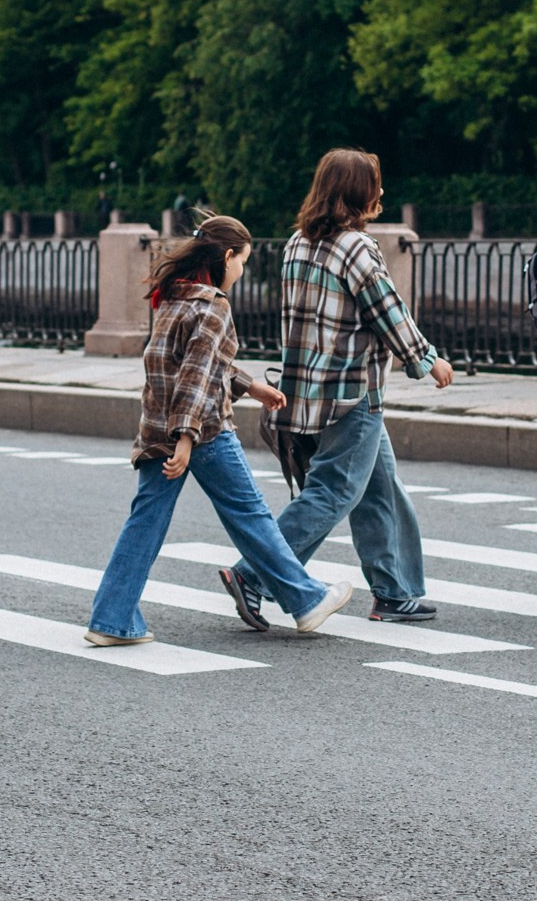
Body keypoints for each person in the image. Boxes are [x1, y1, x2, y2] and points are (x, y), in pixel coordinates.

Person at [86, 215, 353, 646]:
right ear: (227, 257)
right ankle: (306, 600)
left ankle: (111, 619)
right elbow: (194, 375)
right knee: (251, 517)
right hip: (205, 432)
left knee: (145, 523)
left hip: (157, 429)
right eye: (242, 262)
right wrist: (187, 438)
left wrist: (252, 386)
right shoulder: (213, 306)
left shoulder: (173, 297)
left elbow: (190, 363)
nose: (242, 272)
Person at [220, 149, 452, 629]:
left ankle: (394, 592)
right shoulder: (358, 249)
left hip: (308, 391)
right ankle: (253, 575)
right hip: (353, 395)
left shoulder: (296, 245)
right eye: (376, 185)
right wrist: (429, 361)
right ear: (356, 192)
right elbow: (389, 315)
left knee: (382, 490)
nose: (382, 193)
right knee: (331, 492)